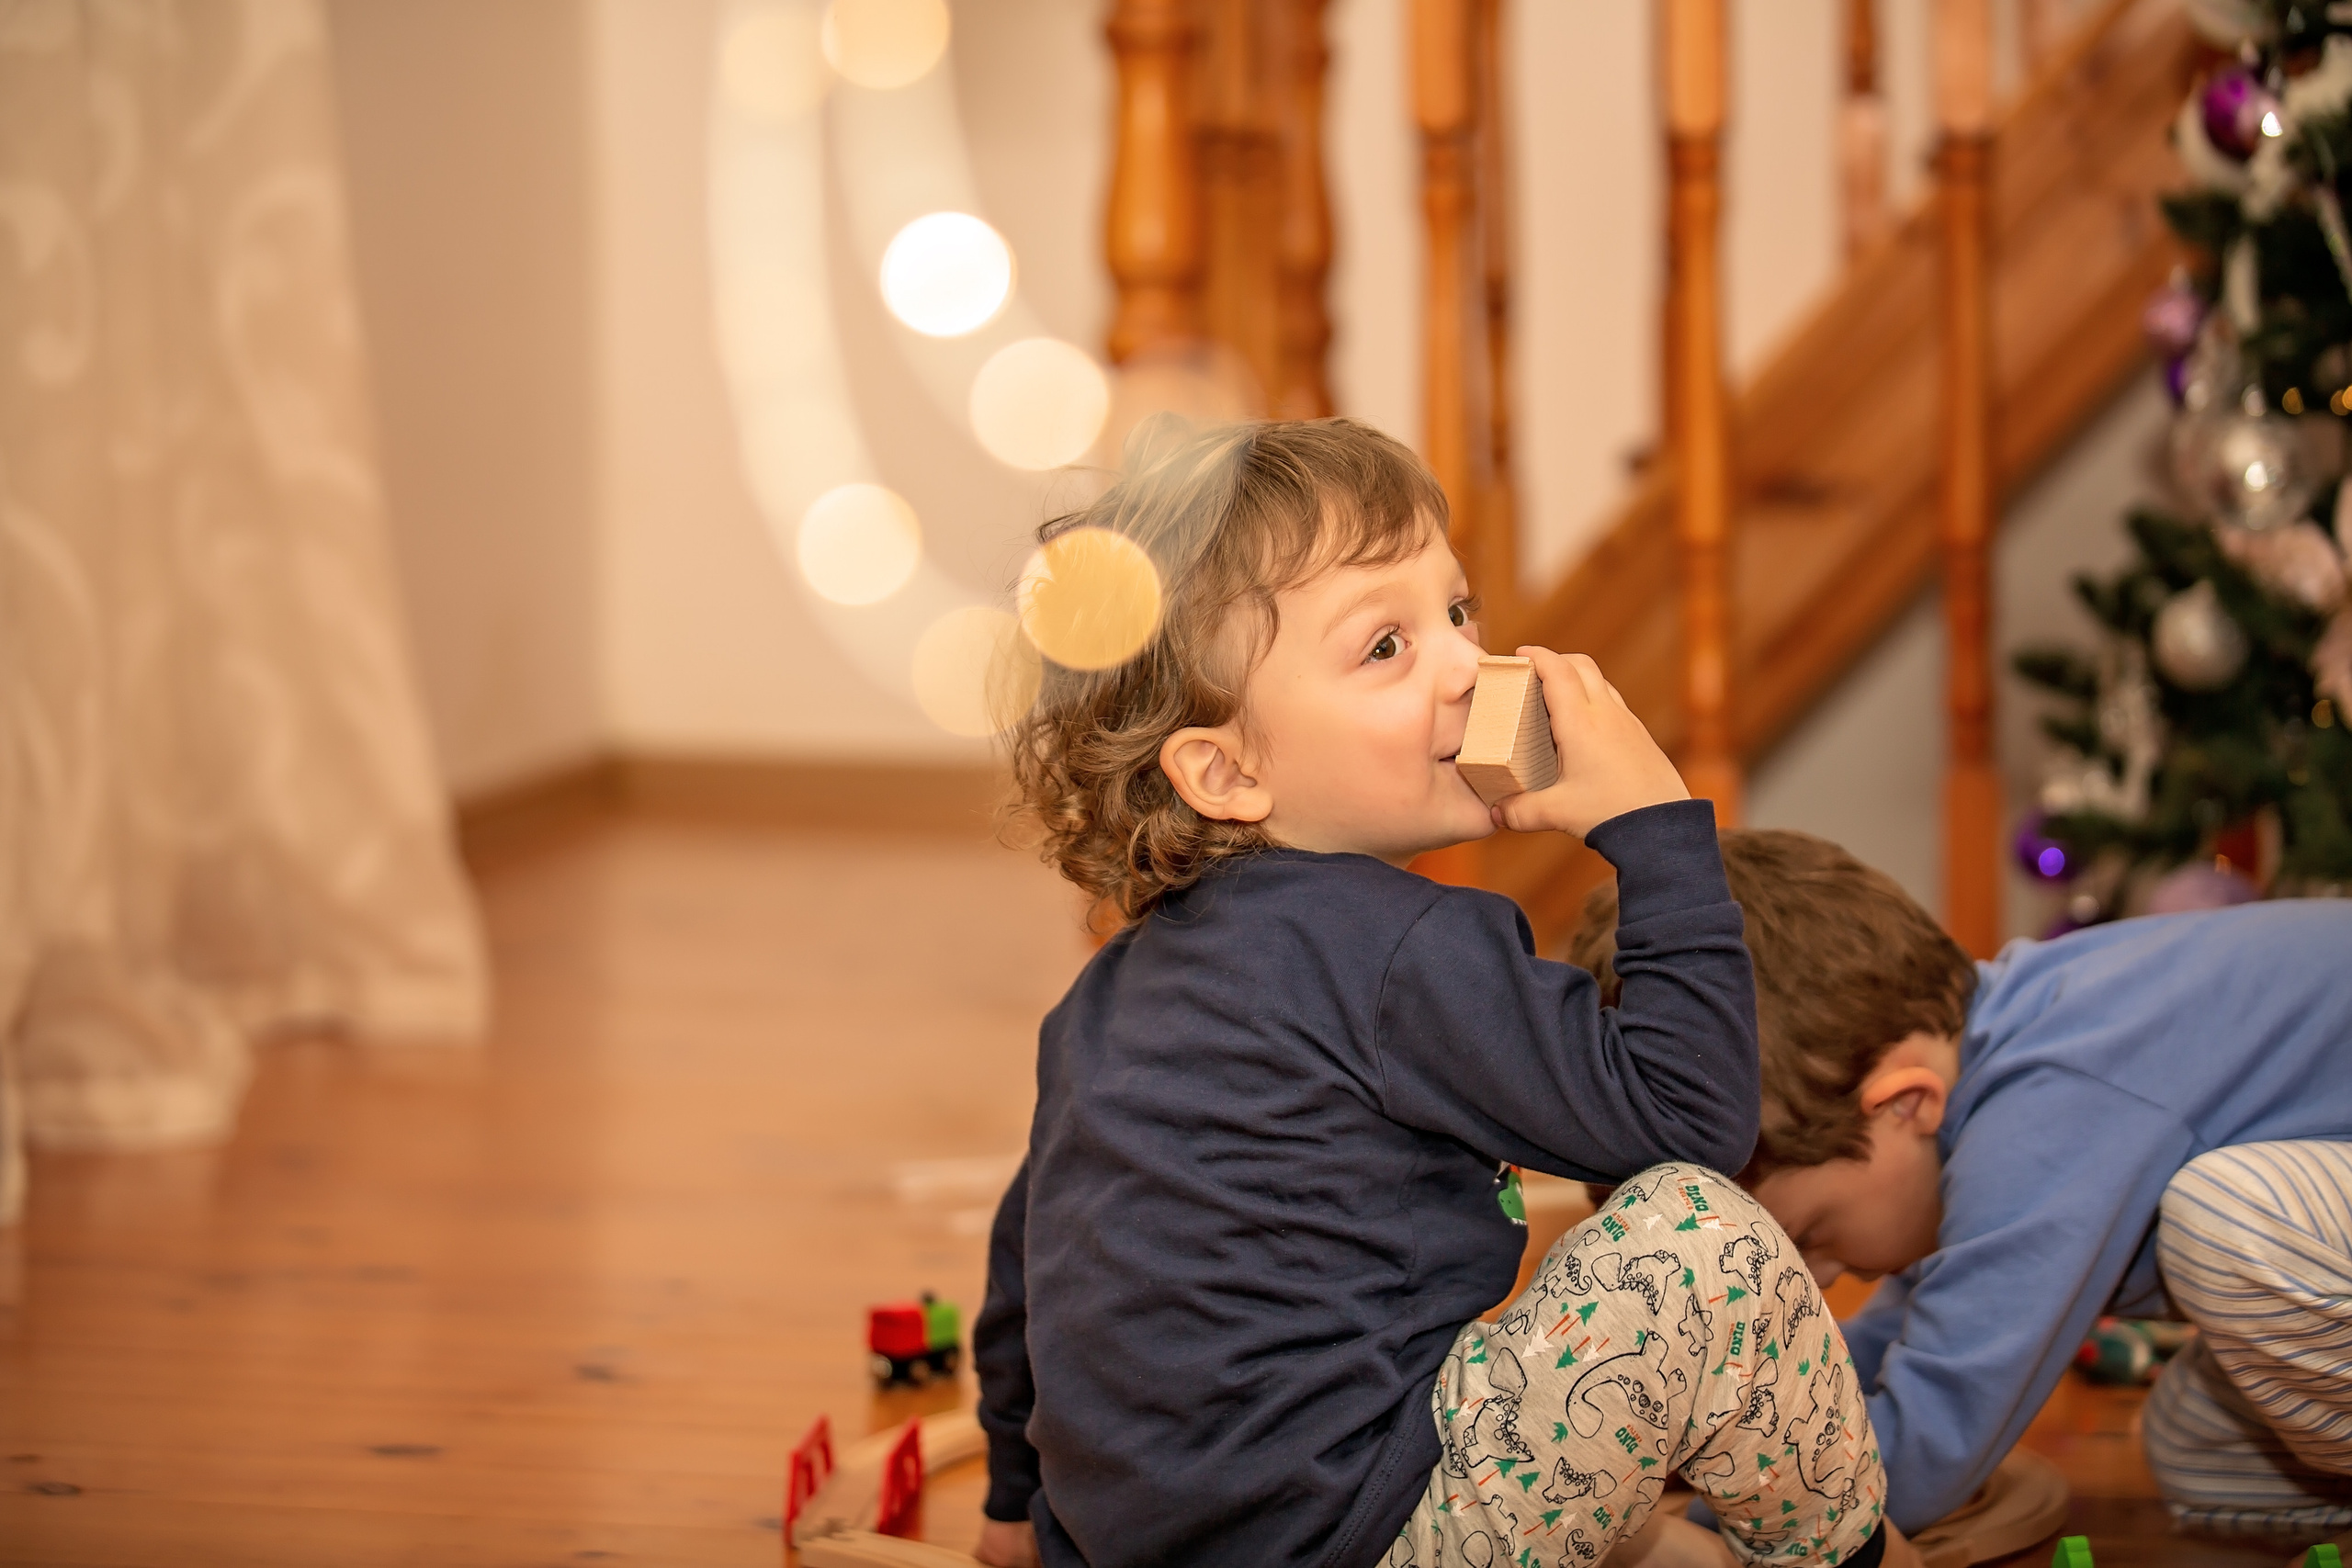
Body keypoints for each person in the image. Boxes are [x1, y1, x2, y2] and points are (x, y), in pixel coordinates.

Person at [971, 420, 1905, 1568]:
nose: (1469, 665)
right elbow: (1689, 1123)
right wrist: (1656, 830)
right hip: (1349, 1539)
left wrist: (1012, 1509)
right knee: (1697, 1242)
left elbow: (1029, 1265)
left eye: (1456, 613)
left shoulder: (1104, 1001)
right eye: (1386, 648)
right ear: (1227, 772)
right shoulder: (1398, 947)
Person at [1566, 829, 2352, 1539]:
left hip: (2283, 1213)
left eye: (1806, 1239)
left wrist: (1691, 1539)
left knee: (2231, 1220)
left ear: (1904, 1103)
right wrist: (1700, 1438)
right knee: (2195, 1448)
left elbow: (1928, 1436)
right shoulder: (1988, 1062)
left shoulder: (2047, 1105)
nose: (1810, 1281)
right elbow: (1864, 1361)